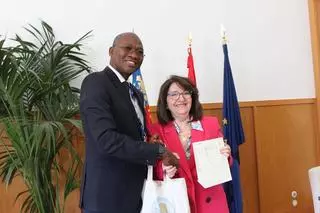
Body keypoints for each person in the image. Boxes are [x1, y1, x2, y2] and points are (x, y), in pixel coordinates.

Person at [79, 32, 179, 213]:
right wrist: (158, 151)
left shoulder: (135, 92)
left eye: (140, 52)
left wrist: (148, 142)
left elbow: (131, 136)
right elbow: (106, 139)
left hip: (136, 194)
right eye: (127, 48)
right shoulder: (96, 83)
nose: (134, 54)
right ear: (111, 51)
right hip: (107, 198)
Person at [150, 75, 232, 213]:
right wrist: (162, 168)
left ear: (192, 98)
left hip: (211, 203)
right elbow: (151, 166)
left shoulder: (210, 124)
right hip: (177, 203)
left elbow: (225, 163)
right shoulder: (155, 131)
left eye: (186, 93)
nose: (181, 98)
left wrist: (226, 155)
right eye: (174, 94)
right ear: (165, 102)